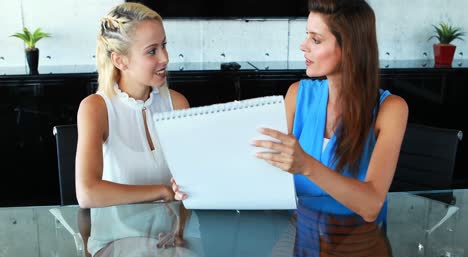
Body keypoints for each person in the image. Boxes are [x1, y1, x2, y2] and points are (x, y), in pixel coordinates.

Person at [173, 0, 408, 223]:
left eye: (316, 40)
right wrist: (196, 181)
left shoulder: (391, 110)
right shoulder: (297, 94)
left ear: (349, 48)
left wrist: (305, 164)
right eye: (307, 35)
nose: (303, 45)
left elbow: (371, 205)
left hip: (359, 246)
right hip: (299, 239)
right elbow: (261, 171)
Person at [75, 2, 189, 208]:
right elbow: (87, 194)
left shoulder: (177, 104)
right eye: (152, 51)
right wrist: (162, 191)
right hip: (116, 238)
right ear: (120, 61)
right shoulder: (95, 108)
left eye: (164, 45)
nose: (165, 58)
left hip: (170, 235)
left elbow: (192, 181)